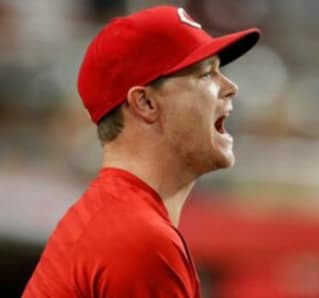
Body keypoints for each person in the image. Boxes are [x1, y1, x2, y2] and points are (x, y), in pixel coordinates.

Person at [23, 5, 260, 298]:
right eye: (206, 74)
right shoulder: (140, 239)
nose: (231, 87)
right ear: (145, 103)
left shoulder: (115, 217)